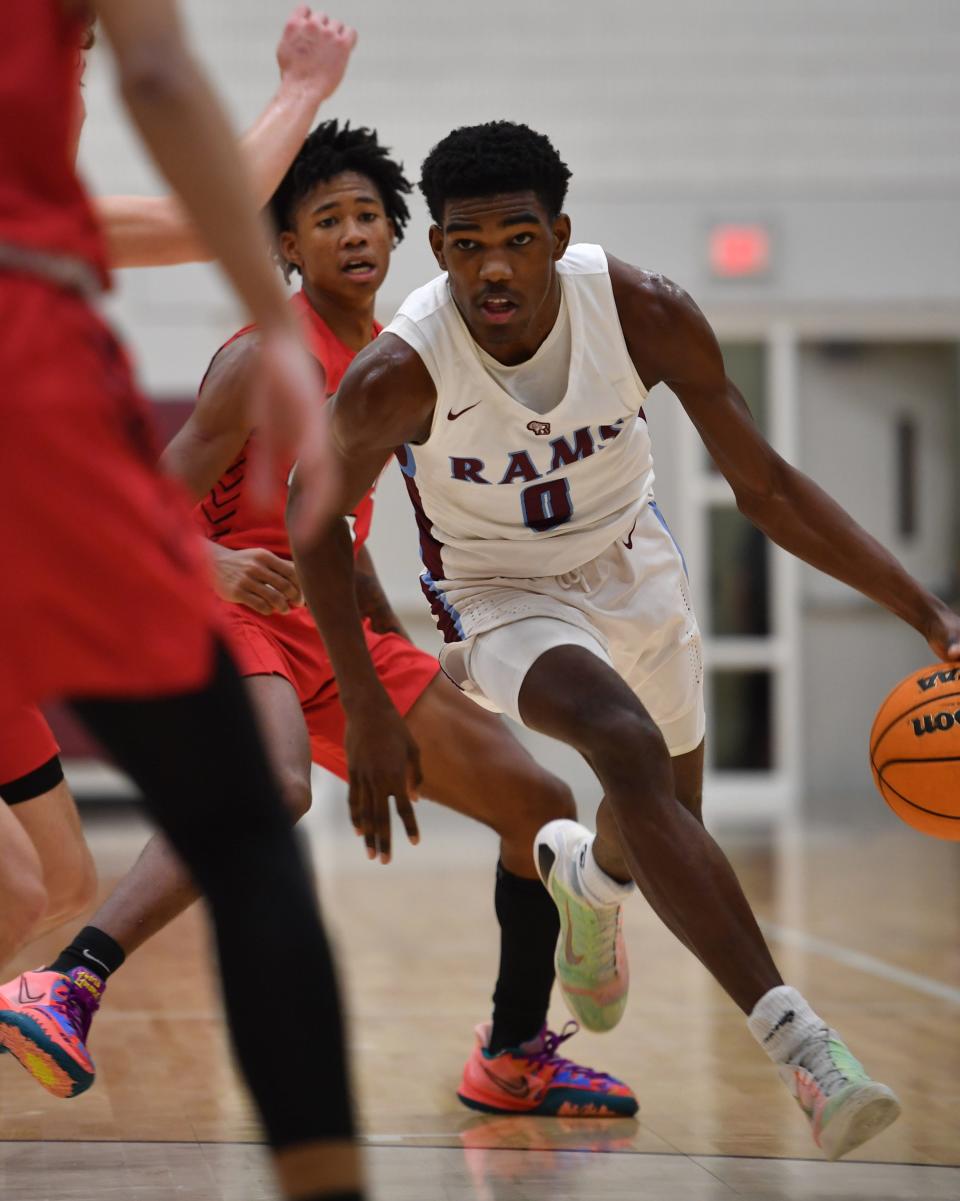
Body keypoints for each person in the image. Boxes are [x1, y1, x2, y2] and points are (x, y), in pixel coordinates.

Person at [288, 119, 960, 1162]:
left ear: (560, 232)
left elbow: (767, 489)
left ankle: (588, 887)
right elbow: (311, 518)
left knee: (660, 822)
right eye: (467, 246)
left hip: (631, 562)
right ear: (441, 253)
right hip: (500, 591)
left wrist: (927, 611)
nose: (494, 268)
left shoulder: (641, 311)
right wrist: (366, 699)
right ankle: (809, 1051)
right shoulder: (399, 372)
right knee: (624, 743)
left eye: (517, 237)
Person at [39, 120, 637, 1119]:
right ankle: (70, 980)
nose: (354, 233)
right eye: (327, 219)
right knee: (272, 786)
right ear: (287, 249)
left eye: (369, 215)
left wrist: (389, 646)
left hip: (329, 630)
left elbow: (339, 524)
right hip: (225, 611)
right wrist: (215, 562)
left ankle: (513, 1054)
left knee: (537, 801)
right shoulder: (258, 360)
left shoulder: (401, 361)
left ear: (398, 237)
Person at [0, 4, 362, 1200]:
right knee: (248, 821)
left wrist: (297, 99)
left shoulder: (54, 204)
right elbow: (162, 81)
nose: (80, 77)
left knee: (33, 884)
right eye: (75, 54)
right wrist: (276, 323)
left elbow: (162, 221)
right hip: (26, 374)